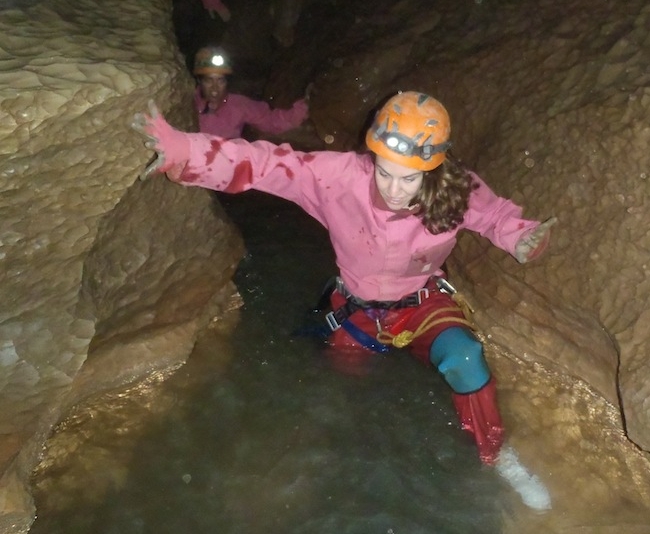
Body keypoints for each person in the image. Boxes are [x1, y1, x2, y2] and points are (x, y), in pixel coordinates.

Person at [131, 91, 556, 466]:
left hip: (420, 304)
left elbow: (498, 216)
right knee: (342, 384)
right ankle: (348, 451)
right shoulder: (338, 177)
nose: (392, 188)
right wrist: (186, 149)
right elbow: (264, 163)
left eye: (408, 178)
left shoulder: (457, 188)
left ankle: (496, 459)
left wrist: (521, 238)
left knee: (465, 359)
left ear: (434, 168)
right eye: (383, 171)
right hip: (356, 309)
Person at [192, 46, 309, 139]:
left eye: (220, 80)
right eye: (208, 80)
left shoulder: (238, 105)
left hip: (229, 163)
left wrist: (302, 110)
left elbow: (270, 120)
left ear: (227, 82)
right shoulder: (188, 104)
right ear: (199, 81)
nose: (214, 88)